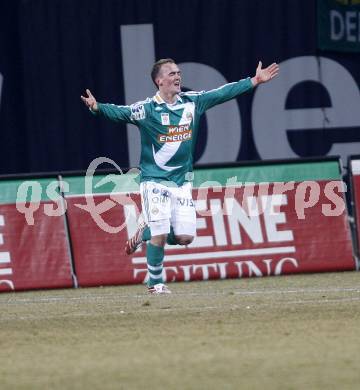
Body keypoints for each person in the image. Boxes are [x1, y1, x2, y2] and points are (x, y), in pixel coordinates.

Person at [81, 58, 279, 294]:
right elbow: (120, 113)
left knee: (185, 237)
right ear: (159, 81)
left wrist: (254, 81)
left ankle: (146, 231)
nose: (178, 77)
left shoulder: (193, 102)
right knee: (161, 233)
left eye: (179, 73)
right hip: (154, 181)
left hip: (182, 182)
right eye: (172, 73)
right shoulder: (146, 109)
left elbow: (222, 93)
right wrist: (97, 107)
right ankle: (155, 285)